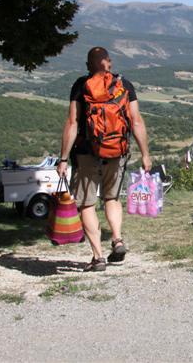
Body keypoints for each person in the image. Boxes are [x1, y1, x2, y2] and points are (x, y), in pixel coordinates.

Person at [57, 47, 151, 272]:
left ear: (89, 65)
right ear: (108, 63)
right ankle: (117, 239)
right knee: (112, 198)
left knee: (87, 203)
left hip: (86, 152)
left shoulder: (81, 85)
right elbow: (136, 121)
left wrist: (62, 158)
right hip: (117, 150)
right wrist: (145, 154)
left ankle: (98, 257)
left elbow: (72, 123)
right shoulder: (124, 85)